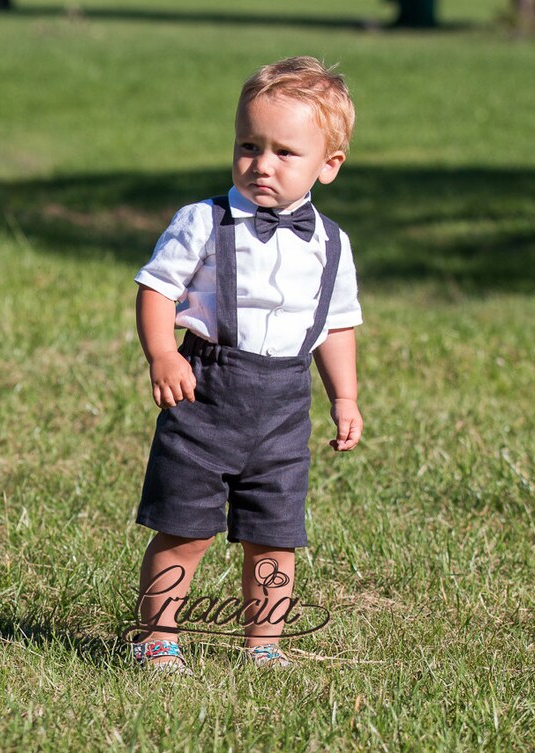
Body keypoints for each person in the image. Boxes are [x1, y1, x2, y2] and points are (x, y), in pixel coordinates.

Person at [131, 56, 363, 673]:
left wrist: (344, 398)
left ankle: (264, 646)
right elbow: (156, 288)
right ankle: (157, 637)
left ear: (328, 165)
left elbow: (337, 325)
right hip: (205, 390)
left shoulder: (332, 244)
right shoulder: (201, 222)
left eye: (285, 152)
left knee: (275, 535)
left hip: (285, 404)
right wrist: (161, 353)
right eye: (248, 145)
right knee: (187, 528)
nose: (262, 164)